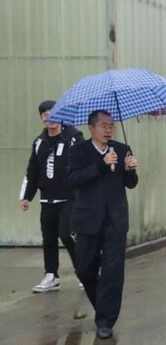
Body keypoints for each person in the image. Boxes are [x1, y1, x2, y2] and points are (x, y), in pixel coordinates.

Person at [67, 110, 138, 339]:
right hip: (87, 219)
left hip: (115, 219)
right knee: (84, 268)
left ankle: (106, 320)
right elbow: (73, 180)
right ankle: (103, 305)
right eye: (104, 126)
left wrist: (130, 169)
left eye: (111, 126)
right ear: (91, 128)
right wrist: (101, 164)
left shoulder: (122, 149)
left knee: (113, 270)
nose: (109, 130)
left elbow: (131, 183)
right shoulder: (78, 151)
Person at [19, 100, 84, 293]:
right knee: (48, 238)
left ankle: (84, 271)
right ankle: (51, 276)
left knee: (66, 234)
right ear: (41, 118)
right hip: (47, 198)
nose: (50, 119)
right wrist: (26, 196)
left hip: (69, 197)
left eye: (54, 114)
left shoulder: (73, 138)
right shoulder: (39, 142)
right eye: (45, 115)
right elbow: (32, 171)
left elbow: (84, 163)